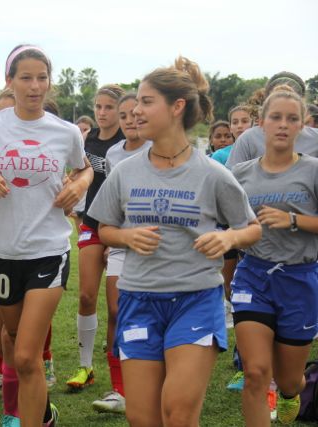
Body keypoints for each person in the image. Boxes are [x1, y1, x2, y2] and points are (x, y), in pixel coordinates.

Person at [87, 56, 261, 427]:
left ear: (177, 106)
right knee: (142, 418)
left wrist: (229, 235)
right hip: (138, 300)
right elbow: (104, 230)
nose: (135, 110)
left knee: (178, 413)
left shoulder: (212, 173)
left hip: (195, 300)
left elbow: (252, 228)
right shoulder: (125, 171)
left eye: (147, 101)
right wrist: (127, 236)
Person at [0, 44, 93, 427]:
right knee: (10, 342)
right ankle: (44, 414)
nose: (34, 86)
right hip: (2, 252)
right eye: (25, 77)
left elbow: (85, 170)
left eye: (41, 78)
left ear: (50, 82)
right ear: (9, 81)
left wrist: (79, 185)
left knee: (27, 355)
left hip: (48, 250)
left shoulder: (65, 132)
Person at [231, 86, 318, 426]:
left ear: (302, 126)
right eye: (276, 117)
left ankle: (292, 391)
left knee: (286, 378)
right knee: (254, 372)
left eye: (292, 118)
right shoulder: (240, 175)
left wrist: (293, 219)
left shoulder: (313, 170)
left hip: (300, 280)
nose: (283, 124)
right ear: (261, 123)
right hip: (253, 275)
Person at [91, 93, 151, 415]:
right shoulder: (114, 153)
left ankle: (148, 381)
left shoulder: (157, 150)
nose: (129, 120)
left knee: (145, 313)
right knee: (115, 310)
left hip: (151, 246)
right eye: (124, 115)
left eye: (134, 114)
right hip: (119, 243)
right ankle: (118, 388)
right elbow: (111, 205)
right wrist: (110, 240)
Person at [66, 84, 125, 391]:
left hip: (118, 228)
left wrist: (117, 237)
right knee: (87, 296)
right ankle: (86, 367)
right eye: (99, 107)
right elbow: (79, 175)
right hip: (91, 222)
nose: (102, 113)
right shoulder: (87, 139)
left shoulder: (128, 141)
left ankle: (120, 378)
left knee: (116, 307)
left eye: (109, 107)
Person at [226, 72, 318, 168]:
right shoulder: (248, 139)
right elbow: (232, 177)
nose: (283, 125)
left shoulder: (315, 139)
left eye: (290, 96)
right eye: (276, 117)